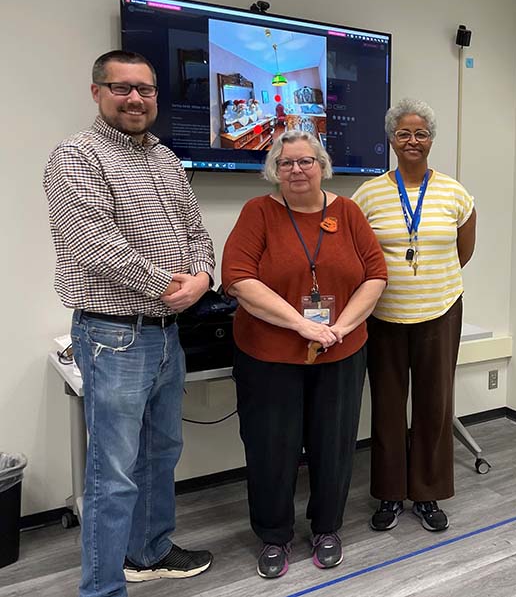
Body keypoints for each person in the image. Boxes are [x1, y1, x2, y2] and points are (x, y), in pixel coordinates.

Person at [42, 50, 215, 597]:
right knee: (111, 475)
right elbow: (91, 243)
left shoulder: (166, 159)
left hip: (167, 334)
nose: (136, 98)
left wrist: (205, 278)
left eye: (146, 89)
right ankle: (102, 588)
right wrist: (174, 288)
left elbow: (198, 234)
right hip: (114, 335)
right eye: (122, 88)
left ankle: (150, 551)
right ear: (97, 92)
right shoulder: (76, 156)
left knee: (161, 454)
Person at [222, 130, 386, 577]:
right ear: (274, 170)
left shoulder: (348, 212)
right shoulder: (258, 212)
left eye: (306, 161)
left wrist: (341, 327)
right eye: (287, 162)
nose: (297, 169)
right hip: (269, 355)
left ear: (322, 166)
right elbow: (238, 278)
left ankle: (327, 528)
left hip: (341, 351)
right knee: (271, 448)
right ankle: (274, 536)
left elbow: (375, 274)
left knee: (334, 445)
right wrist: (300, 323)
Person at [352, 98, 477, 533]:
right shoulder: (368, 194)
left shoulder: (455, 192)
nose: (412, 140)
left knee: (435, 405)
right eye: (403, 133)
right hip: (383, 316)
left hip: (440, 312)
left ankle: (427, 494)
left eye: (420, 133)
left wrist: (429, 283)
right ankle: (388, 493)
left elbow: (464, 250)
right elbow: (358, 257)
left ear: (431, 140)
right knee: (387, 406)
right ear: (390, 140)